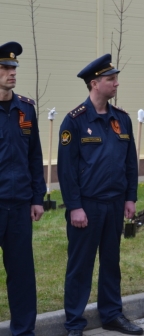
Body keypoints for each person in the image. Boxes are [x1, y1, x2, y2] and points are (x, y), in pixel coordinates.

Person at [57, 54, 143, 336]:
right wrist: (74, 207)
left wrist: (130, 197)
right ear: (95, 84)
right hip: (87, 207)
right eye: (111, 79)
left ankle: (111, 314)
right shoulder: (75, 121)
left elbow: (131, 162)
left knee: (111, 262)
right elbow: (67, 171)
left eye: (115, 78)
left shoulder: (122, 119)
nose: (116, 83)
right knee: (80, 266)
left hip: (115, 203)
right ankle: (74, 323)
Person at [0, 41, 45, 336]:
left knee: (21, 275)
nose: (11, 72)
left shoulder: (25, 109)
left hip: (18, 205)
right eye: (5, 68)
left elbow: (34, 156)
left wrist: (37, 198)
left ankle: (24, 332)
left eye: (14, 67)